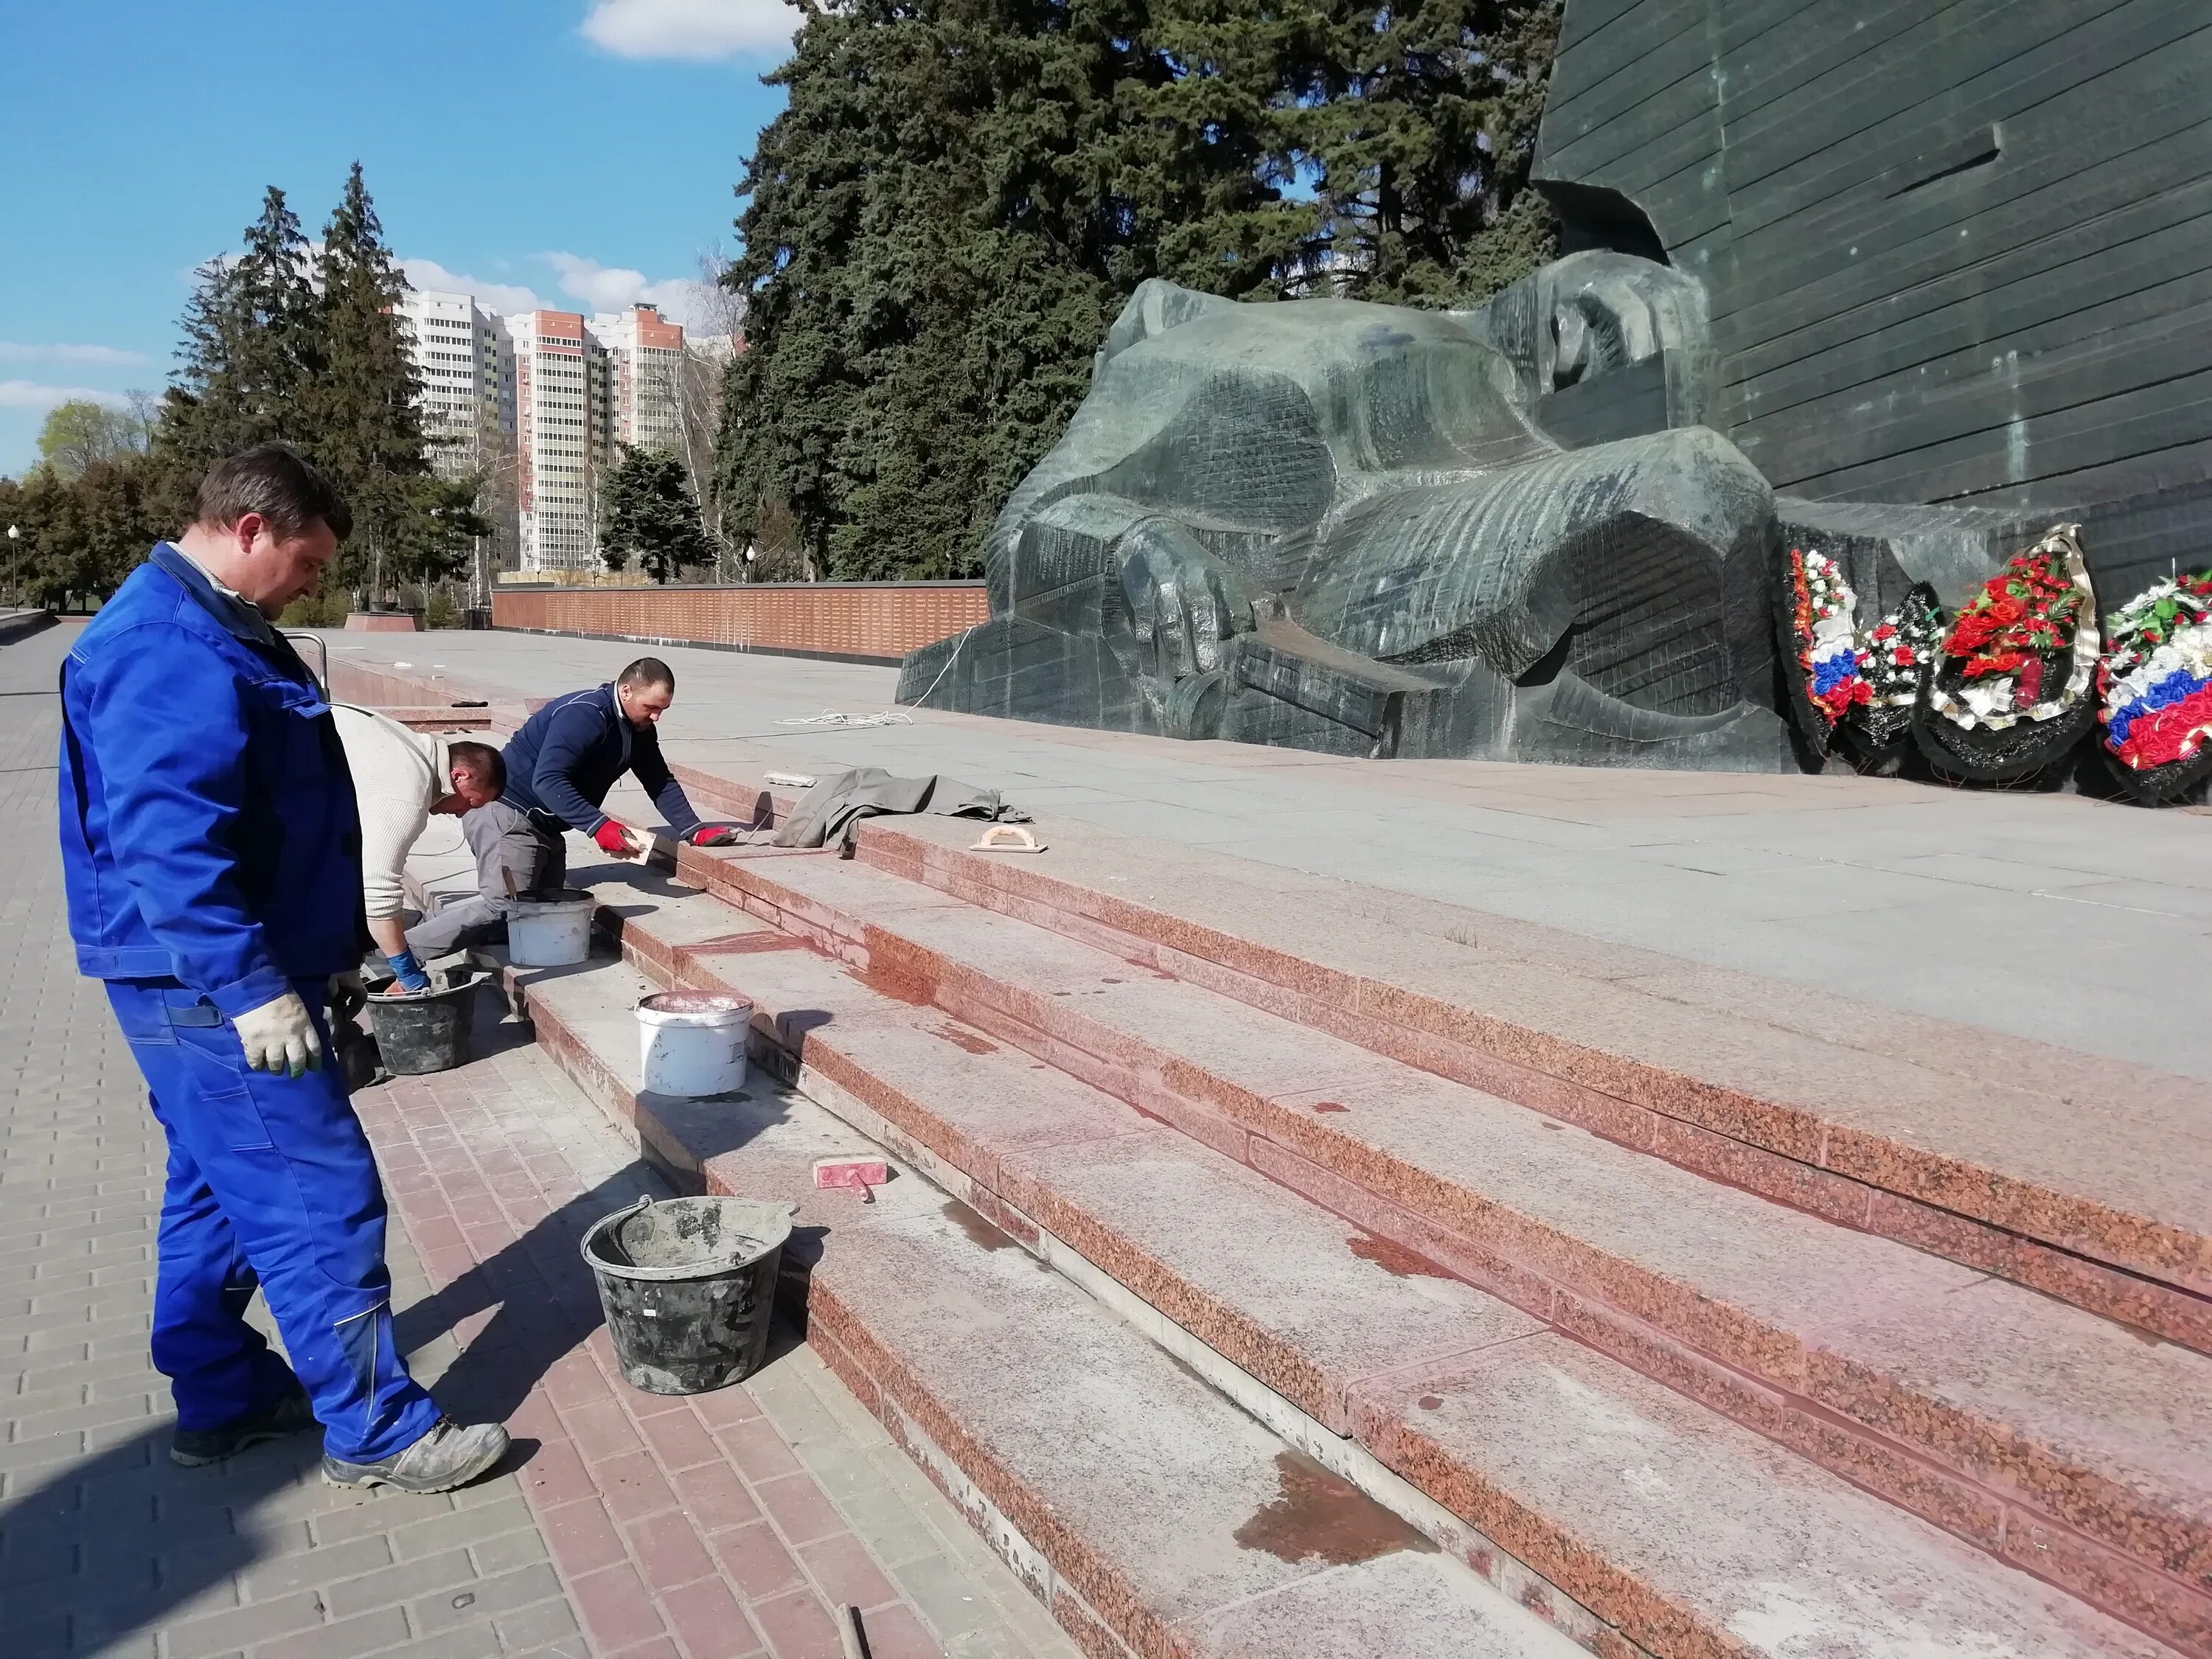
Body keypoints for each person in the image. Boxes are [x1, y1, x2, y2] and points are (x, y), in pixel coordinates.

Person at [57, 444, 508, 1495]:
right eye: (308, 560)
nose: (316, 582)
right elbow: (170, 844)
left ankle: (222, 1397)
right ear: (252, 529)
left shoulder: (212, 625)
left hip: (219, 974)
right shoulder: (165, 643)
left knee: (215, 1190)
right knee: (318, 1194)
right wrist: (253, 985)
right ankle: (379, 1429)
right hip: (213, 985)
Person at [496, 656, 744, 878]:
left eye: (662, 709)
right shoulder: (585, 715)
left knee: (543, 912)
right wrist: (599, 825)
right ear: (626, 691)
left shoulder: (639, 729)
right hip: (511, 815)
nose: (656, 717)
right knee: (507, 910)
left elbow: (659, 781)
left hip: (546, 824)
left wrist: (694, 830)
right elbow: (548, 780)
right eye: (651, 707)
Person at [330, 704, 505, 990]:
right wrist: (406, 971)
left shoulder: (409, 746)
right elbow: (378, 893)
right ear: (460, 775)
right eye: (472, 802)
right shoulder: (408, 791)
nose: (463, 813)